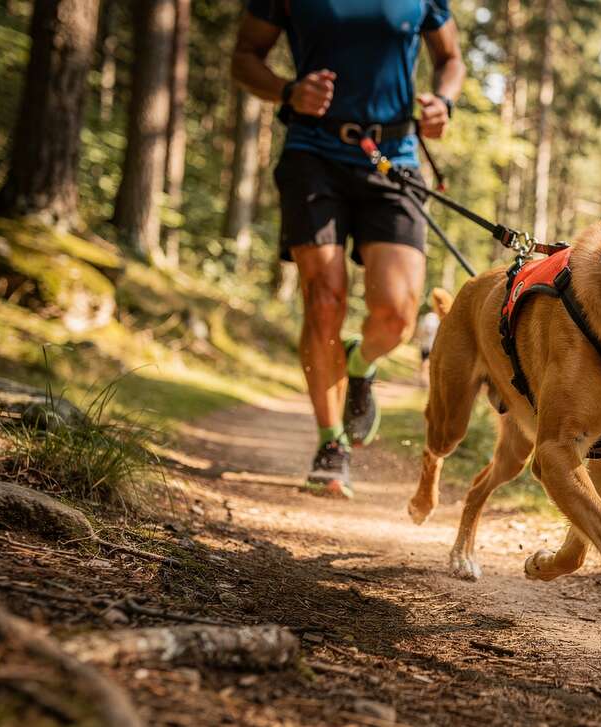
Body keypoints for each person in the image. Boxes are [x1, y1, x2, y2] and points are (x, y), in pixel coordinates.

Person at [231, 0, 464, 497]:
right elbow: (244, 56)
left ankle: (359, 364)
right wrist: (288, 92)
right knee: (324, 299)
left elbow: (450, 58)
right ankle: (330, 441)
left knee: (398, 315)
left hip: (392, 157)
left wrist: (445, 101)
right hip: (313, 153)